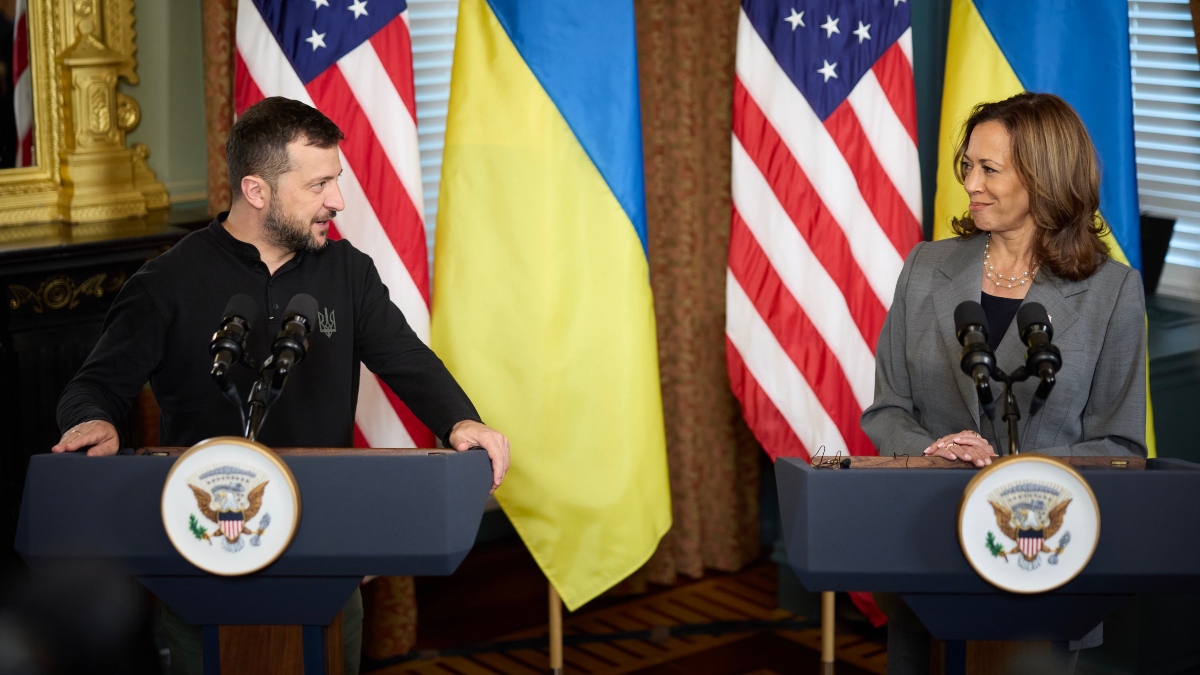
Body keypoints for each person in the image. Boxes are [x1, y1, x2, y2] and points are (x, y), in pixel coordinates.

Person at [51, 96, 511, 675]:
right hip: (208, 545)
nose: (337, 201)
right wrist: (90, 418)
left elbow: (406, 360)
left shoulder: (348, 273)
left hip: (324, 539)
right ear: (257, 190)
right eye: (319, 185)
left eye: (336, 181)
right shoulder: (167, 281)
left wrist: (459, 419)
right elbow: (95, 386)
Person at [861, 92, 1147, 674]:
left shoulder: (1112, 290)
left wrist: (1011, 477)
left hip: (1039, 554)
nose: (972, 183)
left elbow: (1120, 447)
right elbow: (887, 409)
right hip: (925, 552)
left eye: (990, 169)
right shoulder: (925, 266)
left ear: (1046, 178)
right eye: (969, 165)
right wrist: (936, 450)